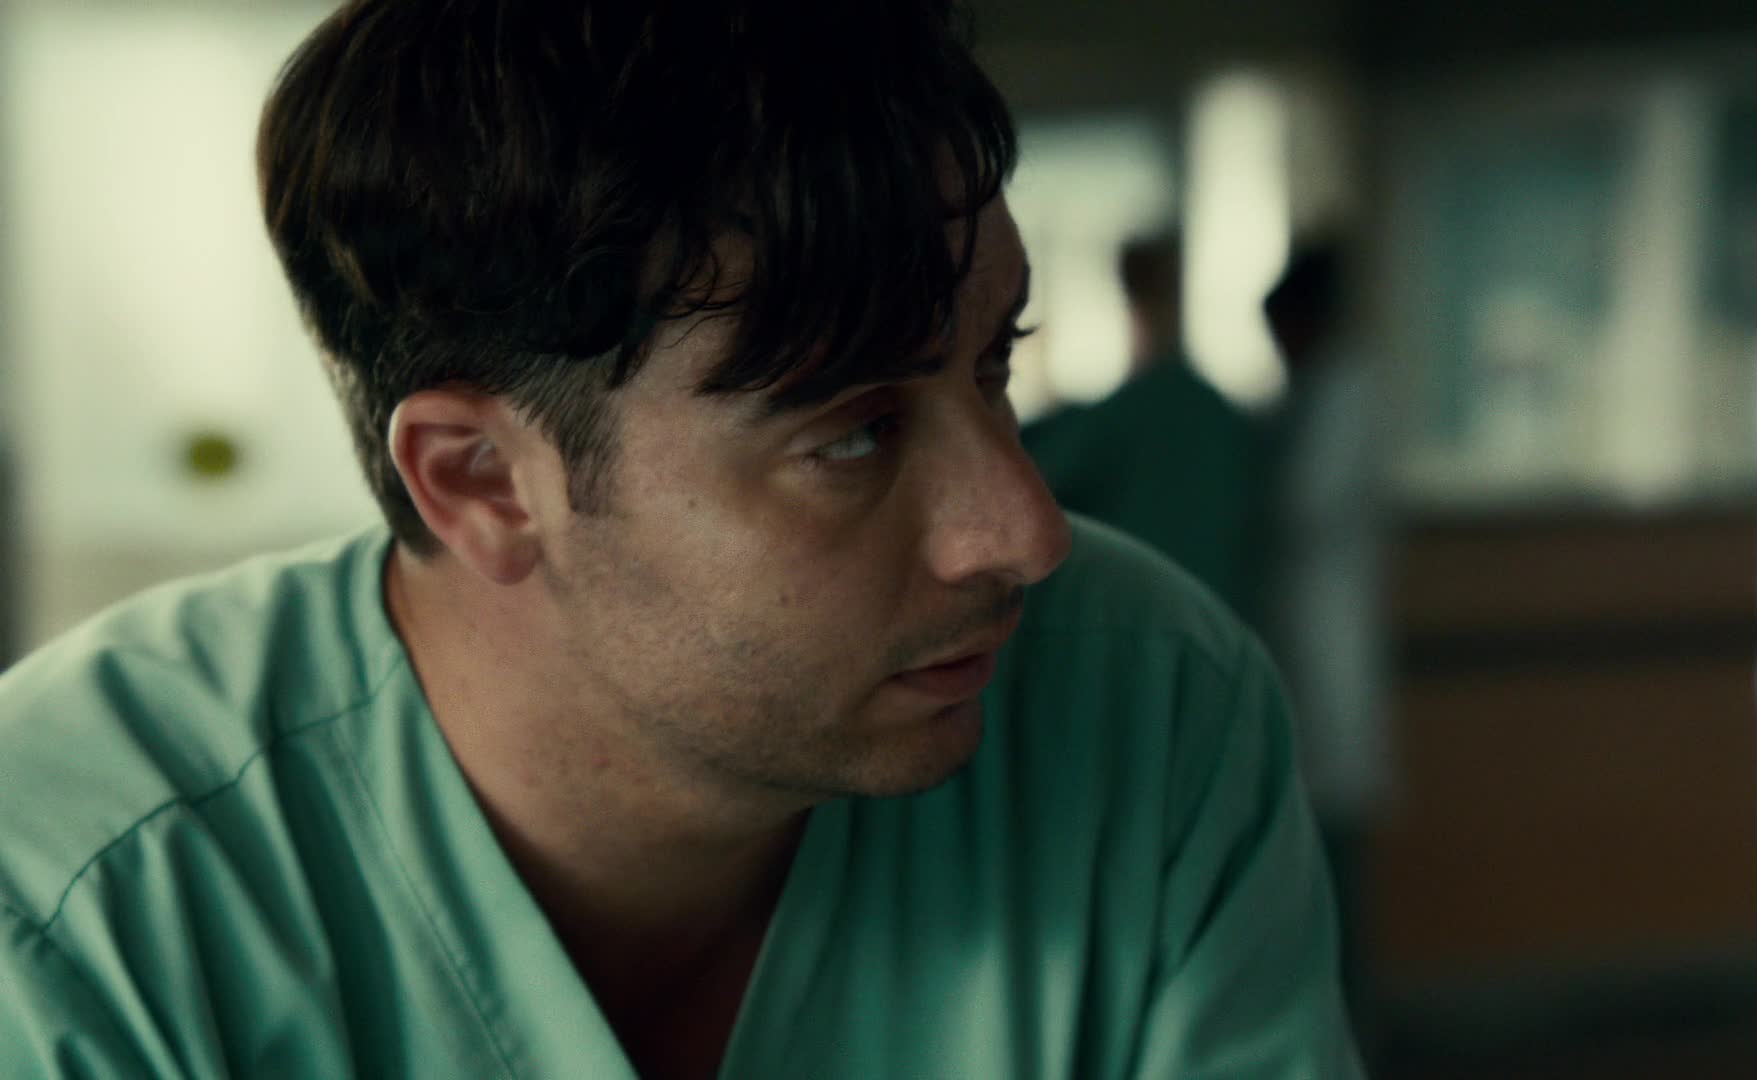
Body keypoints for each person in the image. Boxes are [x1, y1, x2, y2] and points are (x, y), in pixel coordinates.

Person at [0, 3, 1361, 1077]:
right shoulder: (74, 902)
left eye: (994, 366)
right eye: (853, 434)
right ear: (484, 482)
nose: (1025, 532)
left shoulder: (1145, 711)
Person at [1261, 241, 1393, 1047]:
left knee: (1335, 852)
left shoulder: (1347, 397)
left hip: (1329, 646)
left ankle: (1345, 1027)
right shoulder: (1310, 397)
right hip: (1306, 646)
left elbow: (1302, 508)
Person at [1022, 232, 1264, 624]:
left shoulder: (1131, 415)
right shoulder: (1211, 413)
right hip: (1213, 616)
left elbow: (1039, 475)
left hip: (1145, 614)